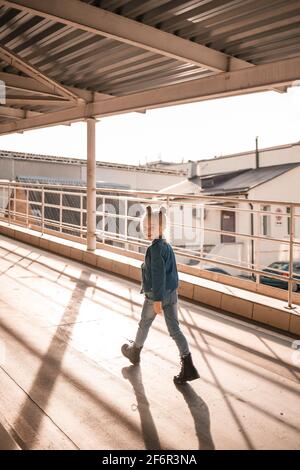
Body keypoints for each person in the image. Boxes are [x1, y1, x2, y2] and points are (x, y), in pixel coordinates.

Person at [121, 205, 199, 384]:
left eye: (152, 227)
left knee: (144, 323)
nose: (148, 231)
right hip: (171, 293)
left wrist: (156, 300)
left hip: (155, 295)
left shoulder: (154, 250)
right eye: (146, 227)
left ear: (161, 228)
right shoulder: (166, 246)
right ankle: (188, 364)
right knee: (175, 329)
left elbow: (158, 275)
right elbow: (172, 273)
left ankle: (135, 351)